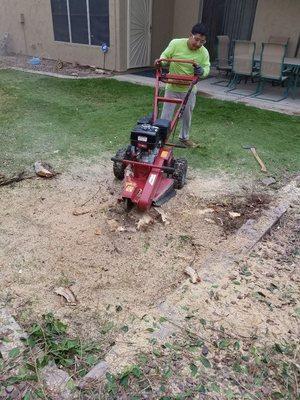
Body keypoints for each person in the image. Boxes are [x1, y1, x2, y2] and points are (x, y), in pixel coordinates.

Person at [157, 23, 210, 147]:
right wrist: (162, 63)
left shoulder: (203, 52)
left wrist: (202, 71)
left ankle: (184, 137)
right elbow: (164, 57)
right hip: (172, 86)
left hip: (189, 89)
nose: (198, 44)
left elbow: (206, 68)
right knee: (166, 115)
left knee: (187, 114)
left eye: (202, 42)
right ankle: (162, 138)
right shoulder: (176, 44)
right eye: (196, 39)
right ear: (190, 36)